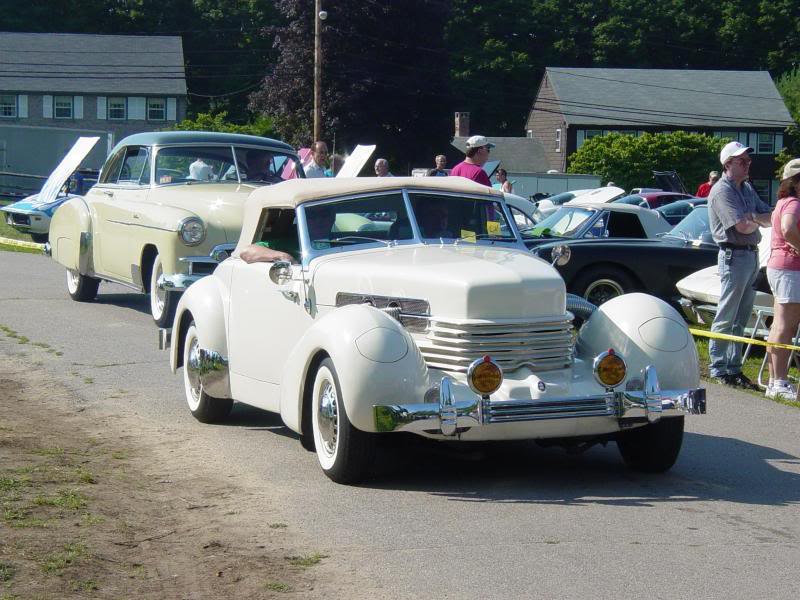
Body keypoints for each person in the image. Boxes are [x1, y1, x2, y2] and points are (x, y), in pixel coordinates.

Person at [708, 141, 773, 389]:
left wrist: (754, 217)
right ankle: (718, 368)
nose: (747, 165)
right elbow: (742, 227)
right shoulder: (721, 191)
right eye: (741, 161)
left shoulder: (746, 188)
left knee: (741, 317)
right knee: (727, 315)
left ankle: (734, 369)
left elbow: (770, 216)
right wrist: (756, 219)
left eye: (748, 161)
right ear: (727, 164)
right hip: (733, 256)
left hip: (750, 255)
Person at [765, 159, 800, 399]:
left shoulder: (782, 202)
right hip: (789, 268)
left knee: (779, 325)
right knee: (785, 326)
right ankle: (779, 382)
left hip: (779, 267)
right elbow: (788, 229)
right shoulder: (794, 203)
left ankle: (774, 382)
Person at [239, 205, 336, 264]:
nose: (319, 221)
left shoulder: (342, 240)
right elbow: (246, 252)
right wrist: (284, 257)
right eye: (313, 216)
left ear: (333, 218)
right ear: (304, 220)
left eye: (325, 215)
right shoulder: (293, 243)